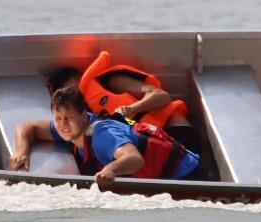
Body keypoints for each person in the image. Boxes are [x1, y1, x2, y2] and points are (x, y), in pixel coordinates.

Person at [9, 84, 201, 184]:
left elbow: (134, 159)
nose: (62, 124)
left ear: (84, 115)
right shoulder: (69, 129)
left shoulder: (103, 134)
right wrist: (21, 151)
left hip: (189, 177)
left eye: (69, 117)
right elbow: (26, 127)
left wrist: (111, 169)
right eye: (58, 118)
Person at [46, 51, 199, 154]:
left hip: (172, 130)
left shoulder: (110, 81)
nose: (73, 96)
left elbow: (162, 96)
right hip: (146, 145)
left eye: (72, 90)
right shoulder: (80, 116)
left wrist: (131, 109)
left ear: (77, 79)